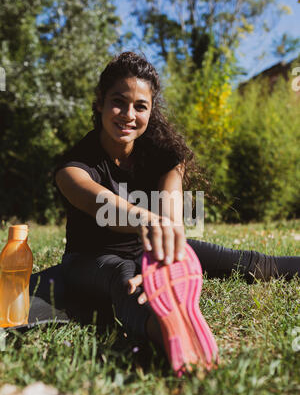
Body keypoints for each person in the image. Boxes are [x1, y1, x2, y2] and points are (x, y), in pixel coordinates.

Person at [25, 52, 299, 371]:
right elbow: (100, 204)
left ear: (151, 110)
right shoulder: (75, 165)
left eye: (140, 106)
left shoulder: (165, 156)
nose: (128, 114)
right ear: (99, 102)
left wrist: (162, 246)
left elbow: (171, 213)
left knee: (250, 263)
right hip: (91, 259)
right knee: (125, 281)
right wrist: (148, 221)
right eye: (118, 101)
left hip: (150, 248)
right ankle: (175, 339)